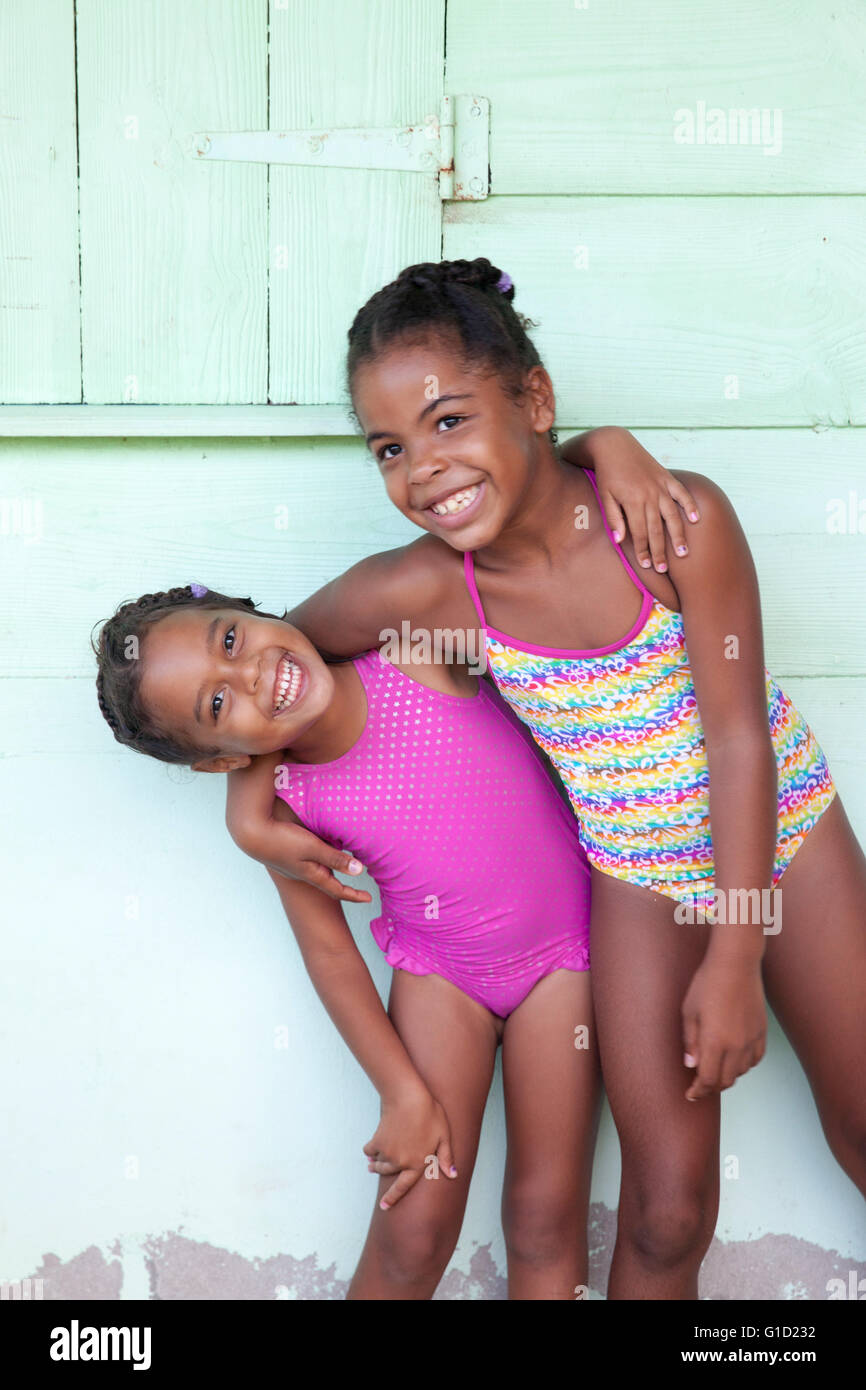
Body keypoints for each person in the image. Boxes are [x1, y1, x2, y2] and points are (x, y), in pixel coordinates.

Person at [227, 257, 866, 1300]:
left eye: (445, 421)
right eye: (389, 446)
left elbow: (736, 739)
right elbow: (264, 673)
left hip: (782, 831)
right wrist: (246, 808)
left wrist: (735, 954)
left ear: (532, 397)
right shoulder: (426, 591)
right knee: (664, 1214)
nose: (421, 468)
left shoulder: (668, 522)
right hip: (633, 881)